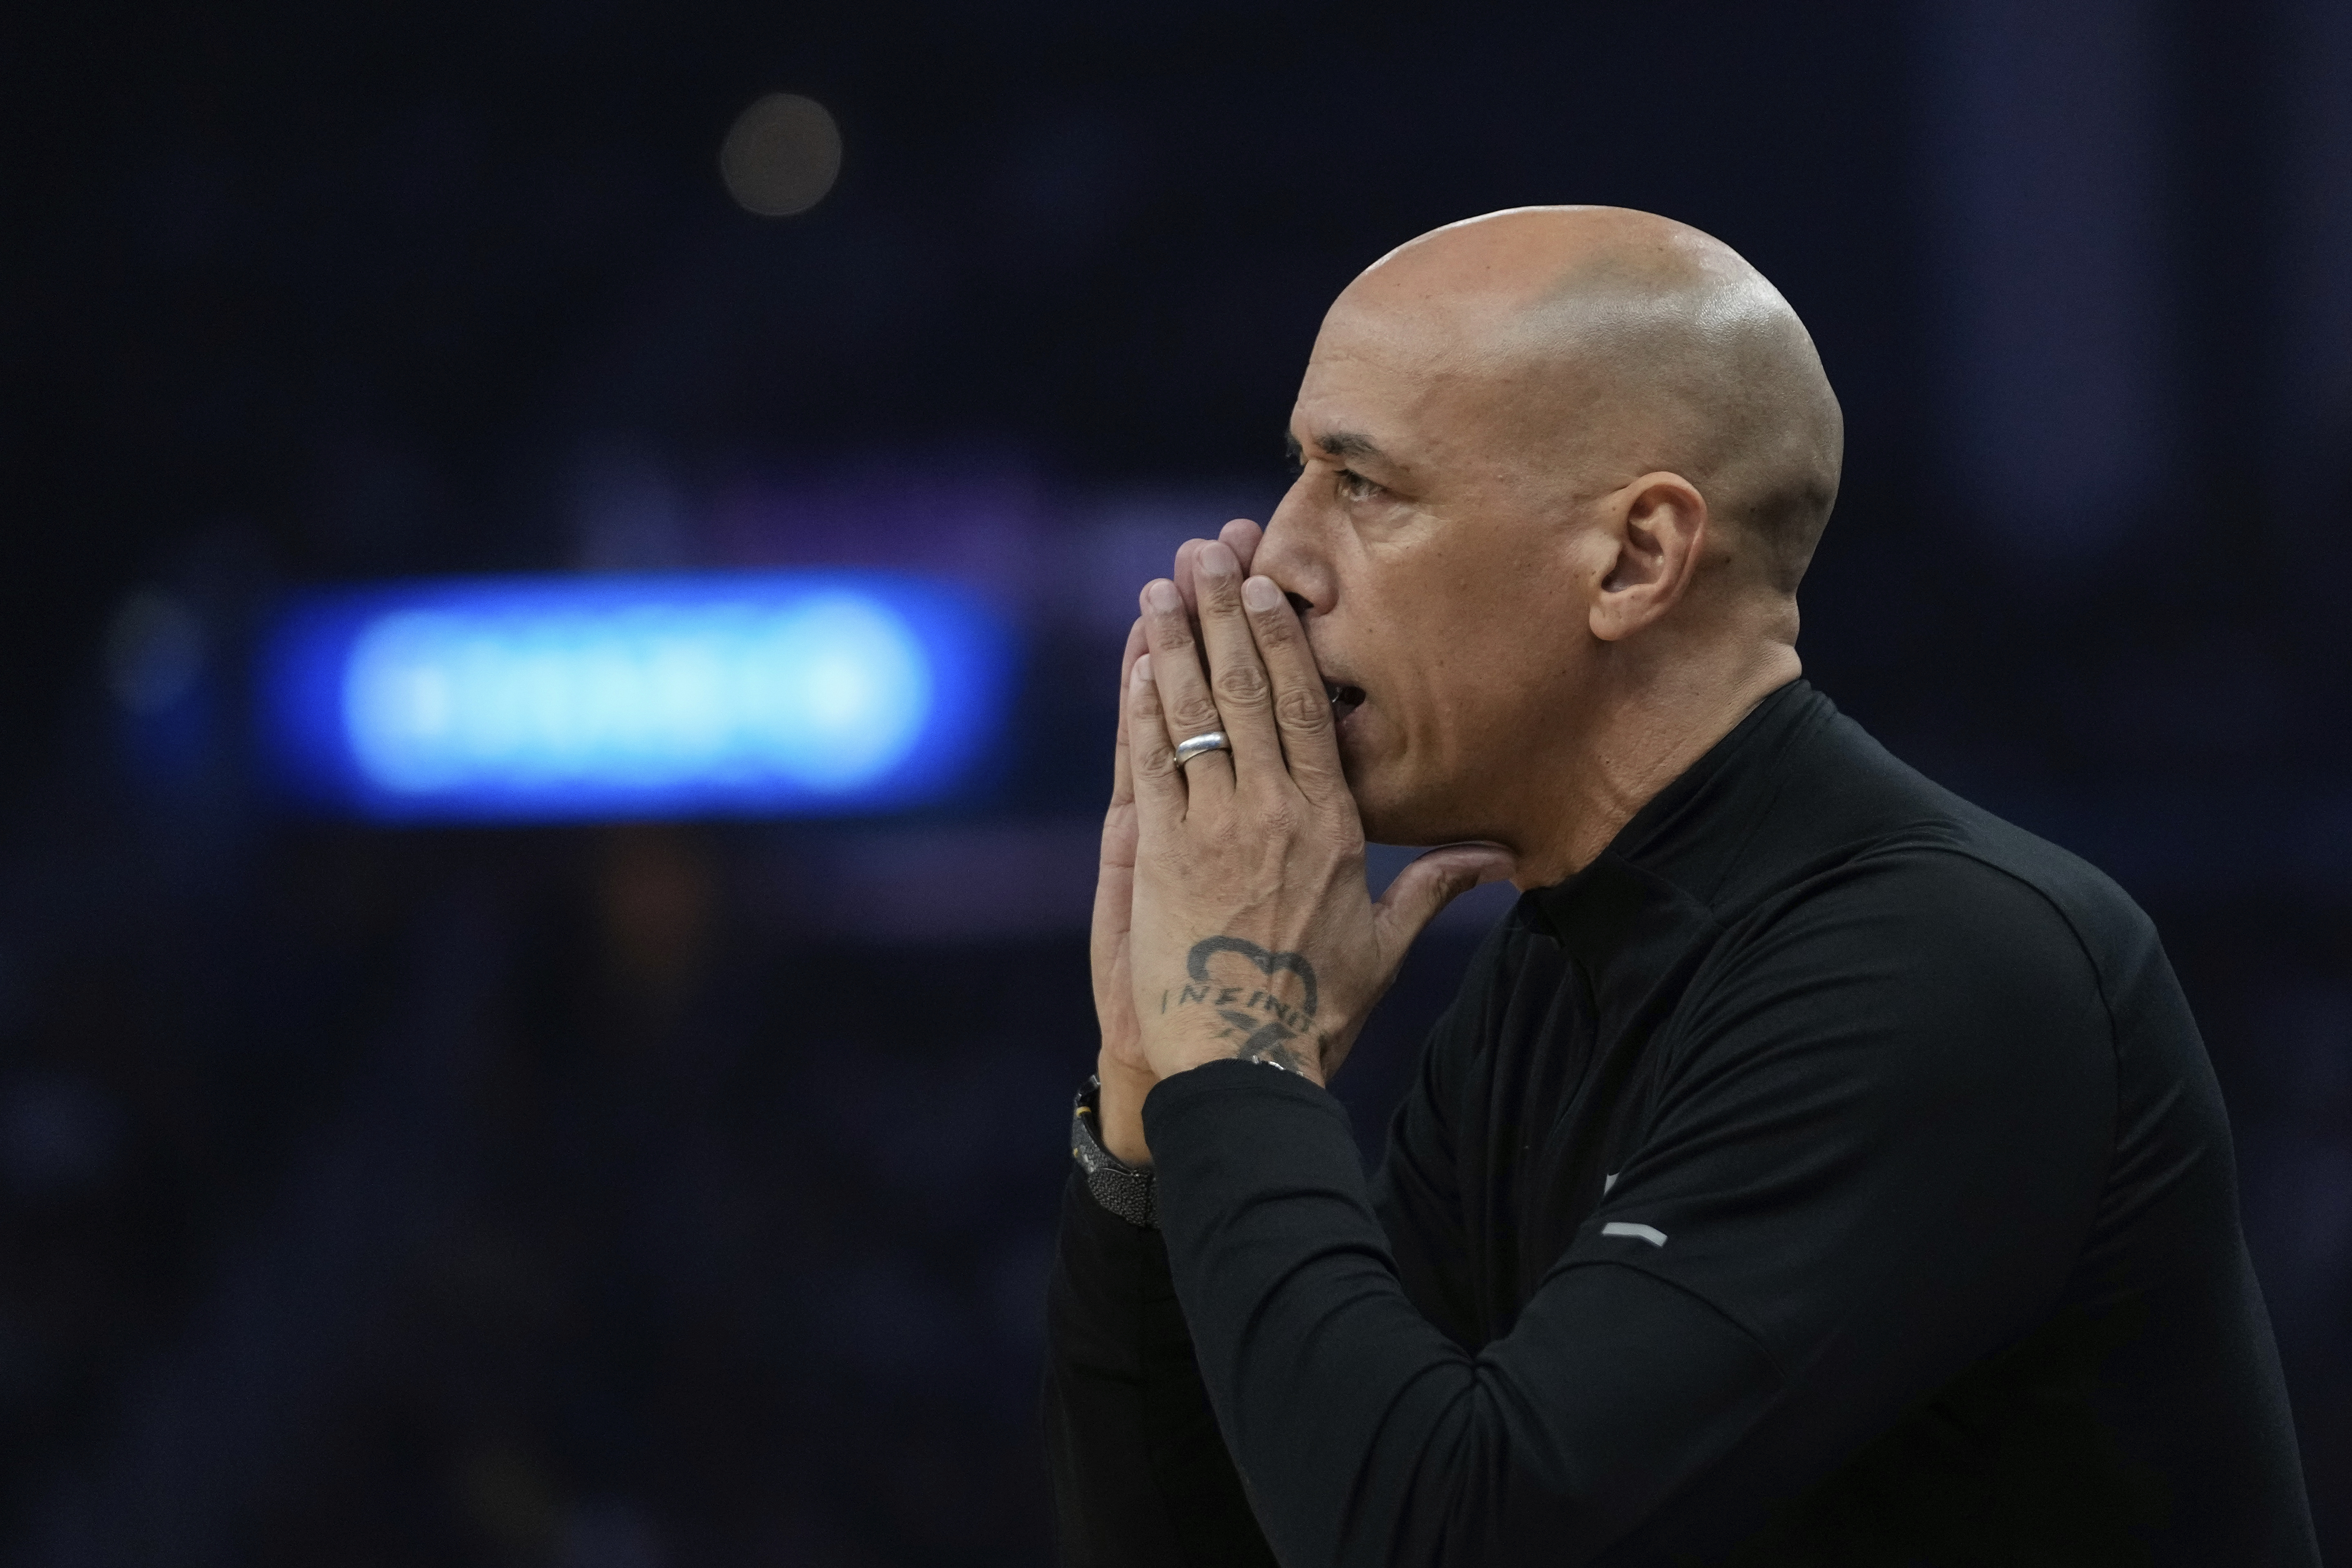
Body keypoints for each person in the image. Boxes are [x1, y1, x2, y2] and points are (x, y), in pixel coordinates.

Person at [1041, 206, 2321, 1566]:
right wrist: (1149, 1105)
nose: (1277, 561)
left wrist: (1243, 1050)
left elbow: (1451, 1539)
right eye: (1297, 472)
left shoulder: (1940, 964)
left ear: (1637, 558)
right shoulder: (1554, 968)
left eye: (1363, 485)